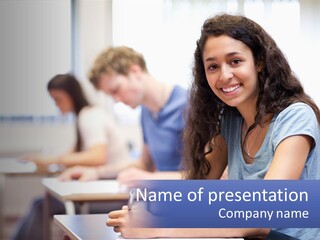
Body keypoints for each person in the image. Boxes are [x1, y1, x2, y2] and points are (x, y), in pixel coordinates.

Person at [106, 14, 320, 239]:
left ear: (259, 62)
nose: (224, 75)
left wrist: (158, 226)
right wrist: (150, 210)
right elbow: (197, 191)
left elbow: (262, 218)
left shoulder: (296, 117)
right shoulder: (231, 120)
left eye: (235, 61)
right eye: (213, 67)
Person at [12, 73, 131, 240]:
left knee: (41, 206)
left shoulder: (89, 117)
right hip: (104, 186)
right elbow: (74, 155)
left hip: (112, 191)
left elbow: (97, 156)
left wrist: (53, 159)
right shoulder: (86, 116)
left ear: (71, 95)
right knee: (41, 204)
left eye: (58, 98)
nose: (56, 104)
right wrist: (48, 160)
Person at [59, 46, 188, 184]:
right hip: (165, 195)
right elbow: (145, 164)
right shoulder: (146, 112)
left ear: (135, 71)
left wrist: (151, 178)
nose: (116, 100)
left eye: (116, 90)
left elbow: (205, 175)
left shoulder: (189, 105)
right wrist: (97, 172)